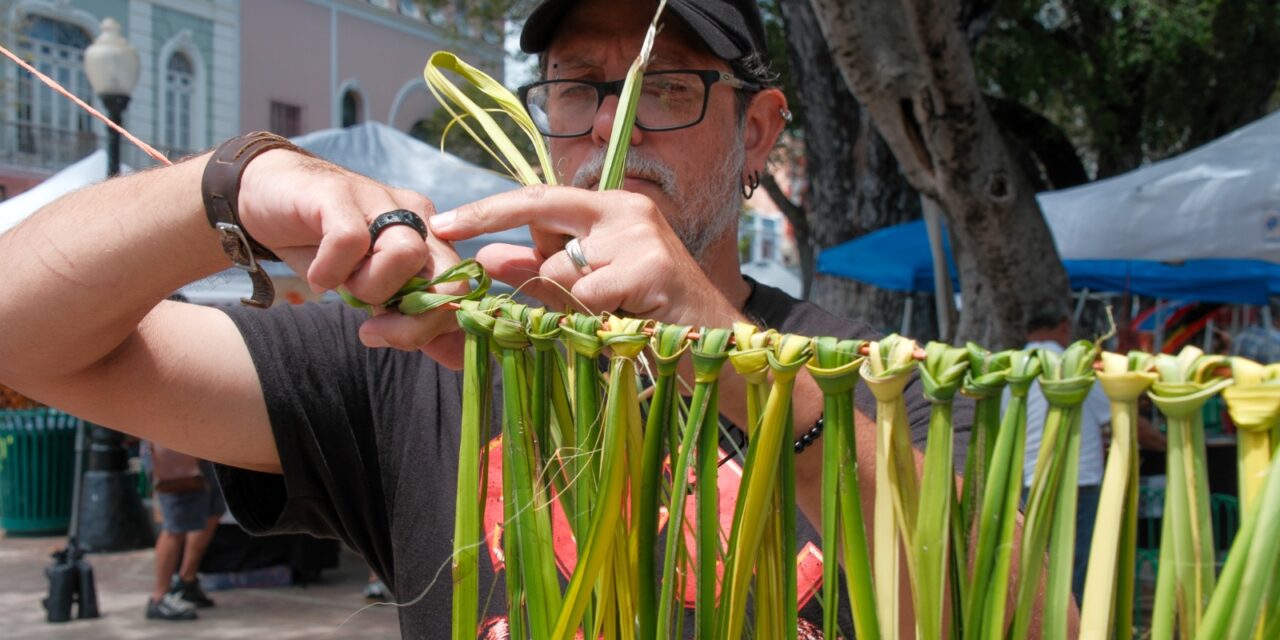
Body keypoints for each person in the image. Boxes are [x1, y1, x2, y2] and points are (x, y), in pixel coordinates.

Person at [0, 1, 1025, 636]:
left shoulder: (872, 381)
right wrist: (231, 185)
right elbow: (25, 338)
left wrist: (738, 362)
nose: (612, 129)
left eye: (665, 86)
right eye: (578, 87)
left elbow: (1033, 623)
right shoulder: (414, 355)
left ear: (755, 133)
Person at [1015, 313, 1165, 604]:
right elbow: (1121, 415)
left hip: (1028, 479)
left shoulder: (1015, 366)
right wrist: (1172, 444)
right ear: (1063, 326)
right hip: (1077, 481)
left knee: (1035, 565)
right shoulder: (1074, 367)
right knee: (1074, 568)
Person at [141, 443, 225, 621]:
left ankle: (186, 581)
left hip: (201, 446)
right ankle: (159, 598)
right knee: (175, 526)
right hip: (172, 445)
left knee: (214, 510)